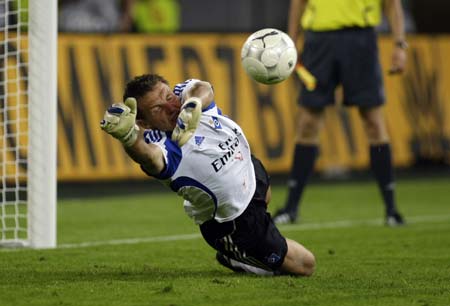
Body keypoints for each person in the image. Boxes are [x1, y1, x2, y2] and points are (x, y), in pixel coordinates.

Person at [100, 74, 316, 276]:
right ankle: (236, 256)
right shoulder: (163, 145)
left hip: (248, 169)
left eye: (168, 96)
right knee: (306, 265)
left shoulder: (185, 97)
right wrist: (129, 138)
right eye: (158, 109)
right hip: (234, 222)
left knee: (265, 194)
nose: (170, 106)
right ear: (144, 123)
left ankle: (258, 233)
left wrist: (193, 104)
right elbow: (149, 157)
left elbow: (203, 88)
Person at [273, 0, 407, 226]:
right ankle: (291, 208)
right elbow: (298, 2)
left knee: (373, 121)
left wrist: (399, 44)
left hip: (360, 40)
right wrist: (292, 41)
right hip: (318, 42)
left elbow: (392, 4)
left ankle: (392, 210)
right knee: (308, 123)